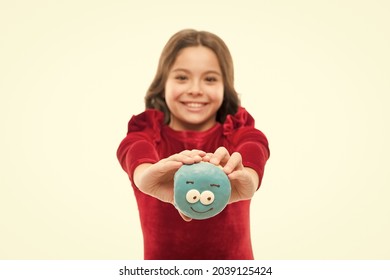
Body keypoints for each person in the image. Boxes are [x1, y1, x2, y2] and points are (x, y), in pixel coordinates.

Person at [117, 29, 270, 260]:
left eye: (209, 79)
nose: (195, 89)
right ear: (163, 83)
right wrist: (145, 175)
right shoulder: (148, 133)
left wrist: (249, 174)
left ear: (224, 85)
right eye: (181, 77)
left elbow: (255, 144)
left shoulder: (237, 132)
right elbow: (134, 150)